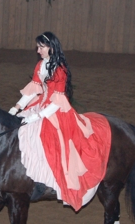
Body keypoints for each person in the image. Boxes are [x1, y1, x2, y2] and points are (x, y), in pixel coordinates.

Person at [9, 32, 112, 211]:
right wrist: (16, 107)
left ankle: (47, 180)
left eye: (41, 47)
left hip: (55, 111)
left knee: (49, 140)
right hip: (40, 105)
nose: (38, 50)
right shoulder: (41, 65)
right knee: (22, 131)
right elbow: (33, 90)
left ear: (51, 47)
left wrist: (38, 116)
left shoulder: (60, 69)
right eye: (38, 47)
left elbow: (58, 101)